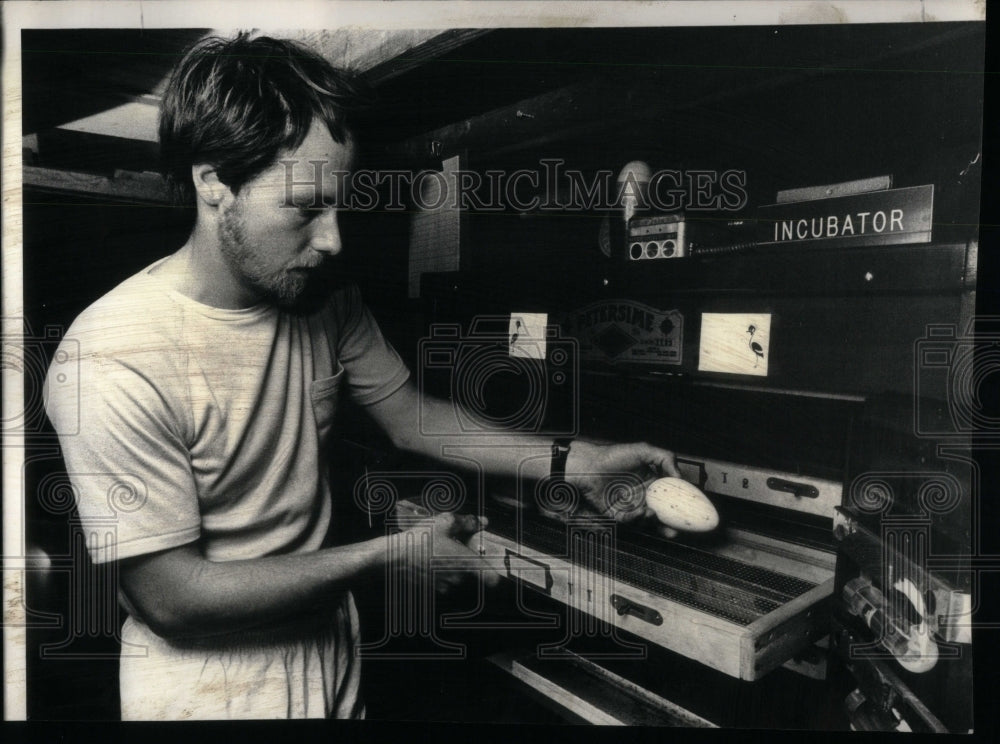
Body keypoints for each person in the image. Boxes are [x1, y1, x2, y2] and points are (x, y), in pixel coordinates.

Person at [43, 33, 681, 720]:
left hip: (328, 659)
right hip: (206, 691)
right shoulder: (112, 355)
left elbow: (412, 415)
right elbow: (170, 597)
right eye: (307, 207)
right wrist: (386, 559)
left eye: (341, 206)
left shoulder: (322, 297)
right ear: (214, 183)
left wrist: (579, 463)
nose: (333, 239)